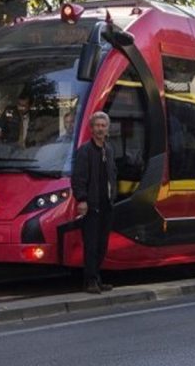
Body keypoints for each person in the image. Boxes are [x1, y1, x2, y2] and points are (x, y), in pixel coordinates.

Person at [70, 111, 117, 294]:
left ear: (107, 129)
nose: (100, 129)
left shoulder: (109, 149)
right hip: (91, 205)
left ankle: (97, 278)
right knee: (91, 244)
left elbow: (112, 174)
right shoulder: (85, 151)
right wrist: (81, 199)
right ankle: (89, 280)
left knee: (102, 245)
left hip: (106, 204)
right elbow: (79, 178)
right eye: (97, 126)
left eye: (103, 126)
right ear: (91, 129)